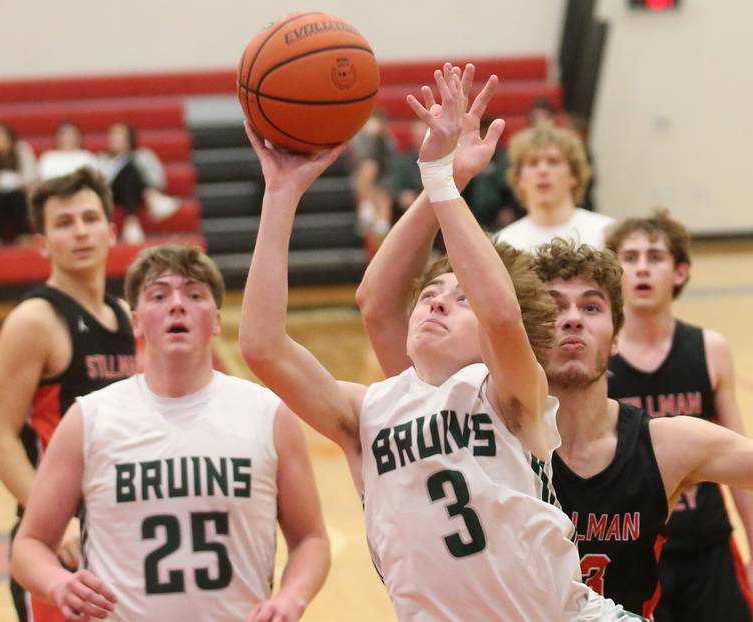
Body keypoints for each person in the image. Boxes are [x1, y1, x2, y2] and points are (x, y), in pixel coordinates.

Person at [241, 62, 643, 621]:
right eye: (432, 292)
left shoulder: (511, 393)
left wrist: (441, 178)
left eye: (460, 300)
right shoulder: (367, 412)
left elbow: (502, 314)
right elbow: (262, 346)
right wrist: (280, 195)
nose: (436, 302)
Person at [354, 70, 753, 620]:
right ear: (521, 327)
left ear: (618, 334)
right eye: (554, 308)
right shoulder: (476, 429)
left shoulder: (663, 443)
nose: (570, 321)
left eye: (591, 308)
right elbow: (378, 306)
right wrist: (439, 180)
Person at [11, 244, 330, 622]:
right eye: (159, 295)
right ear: (135, 322)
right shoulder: (90, 418)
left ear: (215, 319)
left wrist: (291, 598)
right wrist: (57, 583)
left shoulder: (268, 414)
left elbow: (311, 539)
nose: (177, 305)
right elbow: (29, 545)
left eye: (194, 294)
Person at [0, 167, 137, 622]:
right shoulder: (35, 320)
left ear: (111, 232)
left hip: (120, 532)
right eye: (64, 223)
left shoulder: (126, 317)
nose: (80, 231)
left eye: (90, 219)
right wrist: (51, 517)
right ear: (42, 242)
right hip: (57, 545)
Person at [605, 211, 753, 621]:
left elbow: (740, 460)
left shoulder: (710, 349)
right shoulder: (599, 358)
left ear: (680, 272)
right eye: (629, 257)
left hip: (707, 545)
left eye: (655, 257)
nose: (641, 268)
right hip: (632, 552)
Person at [494, 124, 612, 252]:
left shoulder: (607, 233)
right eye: (533, 163)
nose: (542, 170)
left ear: (574, 175)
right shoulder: (503, 244)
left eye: (553, 161)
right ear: (519, 178)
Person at [97, 122, 178, 244]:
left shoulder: (143, 155)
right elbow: (101, 184)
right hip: (114, 193)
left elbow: (158, 179)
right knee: (128, 169)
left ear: (129, 138)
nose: (116, 138)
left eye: (120, 135)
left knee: (132, 170)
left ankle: (133, 218)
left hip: (138, 192)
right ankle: (152, 201)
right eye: (113, 134)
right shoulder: (102, 159)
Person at [0, 122, 36, 245]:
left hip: (20, 191)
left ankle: (24, 234)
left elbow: (31, 175)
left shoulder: (22, 150)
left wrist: (21, 182)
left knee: (17, 197)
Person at [350, 109, 396, 242]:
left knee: (382, 196)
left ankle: (370, 211)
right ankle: (367, 206)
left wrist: (377, 138)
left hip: (384, 179)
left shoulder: (387, 139)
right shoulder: (358, 138)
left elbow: (389, 162)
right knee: (369, 166)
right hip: (362, 179)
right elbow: (360, 158)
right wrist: (368, 137)